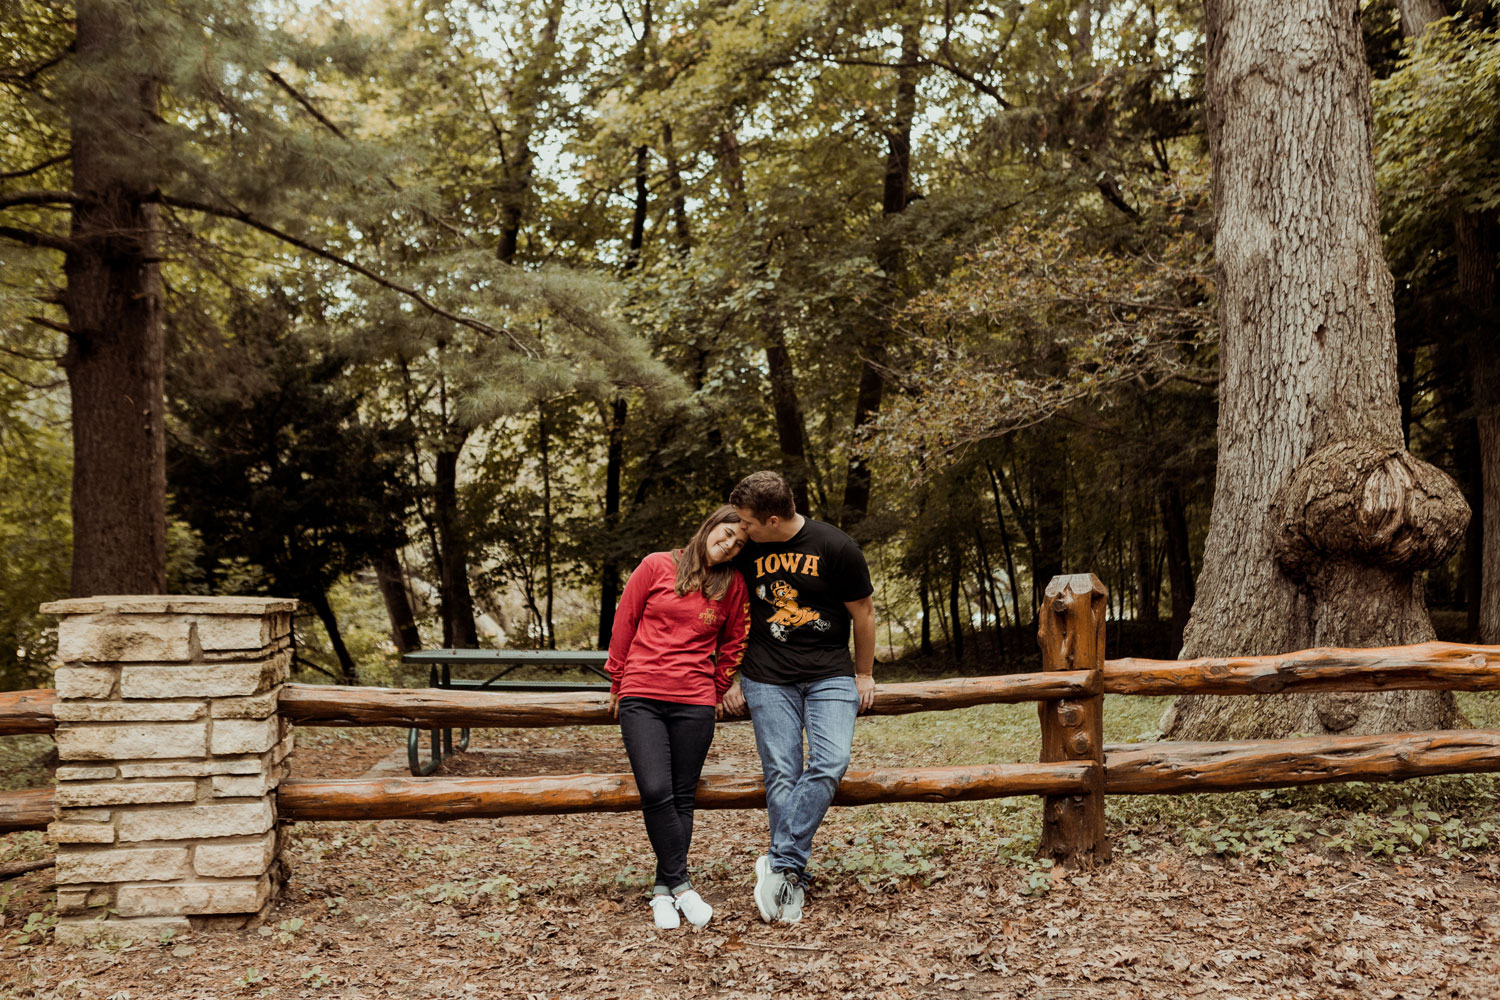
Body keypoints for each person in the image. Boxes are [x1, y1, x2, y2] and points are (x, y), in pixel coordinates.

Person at [720, 471, 876, 924]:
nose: (741, 529)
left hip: (829, 674)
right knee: (782, 772)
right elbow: (727, 616)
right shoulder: (745, 550)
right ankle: (788, 877)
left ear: (771, 520)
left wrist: (863, 673)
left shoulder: (836, 547)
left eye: (747, 522)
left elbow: (863, 613)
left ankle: (781, 861)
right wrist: (729, 678)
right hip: (766, 677)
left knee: (829, 762)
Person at [605, 505, 749, 930]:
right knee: (655, 788)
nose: (729, 545)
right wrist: (616, 679)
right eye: (726, 534)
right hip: (642, 696)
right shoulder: (655, 566)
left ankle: (662, 892)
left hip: (695, 702)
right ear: (709, 526)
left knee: (682, 796)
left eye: (739, 544)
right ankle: (683, 885)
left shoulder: (733, 584)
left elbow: (736, 639)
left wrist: (719, 686)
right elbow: (624, 622)